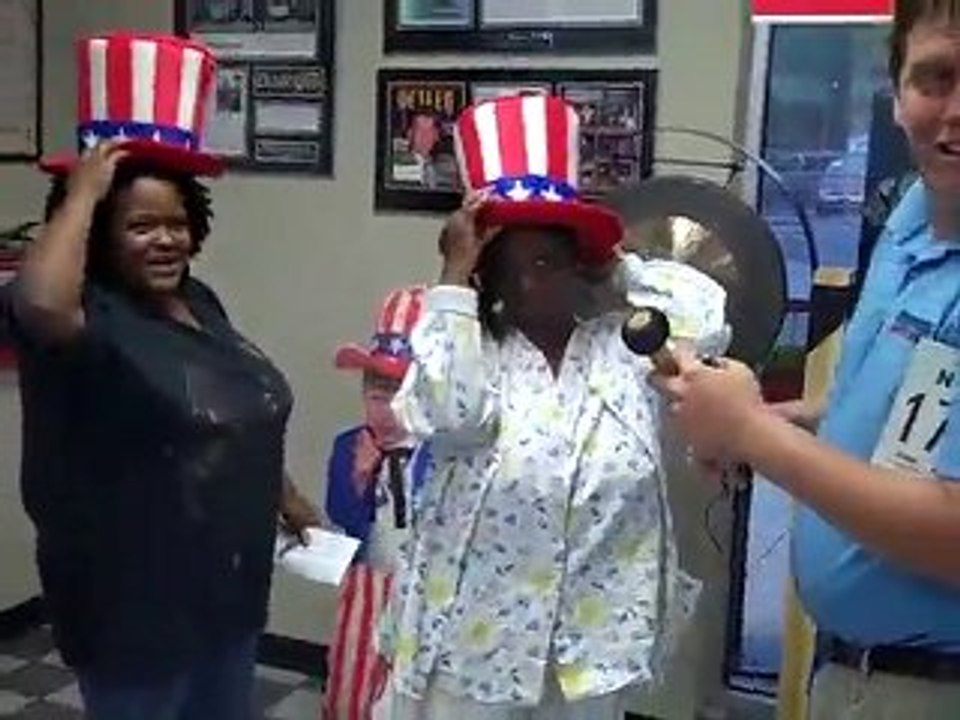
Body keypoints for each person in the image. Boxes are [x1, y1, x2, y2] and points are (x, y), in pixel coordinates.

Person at [654, 2, 960, 717]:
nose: (957, 111)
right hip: (852, 671)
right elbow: (903, 411)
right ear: (896, 94)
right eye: (937, 77)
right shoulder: (919, 212)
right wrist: (779, 422)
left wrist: (753, 433)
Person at [381, 94, 729, 719]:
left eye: (545, 262)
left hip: (590, 651)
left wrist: (617, 269)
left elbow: (707, 321)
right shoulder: (466, 348)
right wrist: (453, 273)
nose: (527, 284)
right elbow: (450, 413)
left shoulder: (625, 350)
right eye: (505, 269)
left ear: (577, 264)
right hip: (473, 648)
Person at [9, 32, 317, 720]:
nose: (167, 239)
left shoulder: (198, 301)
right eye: (140, 225)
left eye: (177, 223)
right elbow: (41, 302)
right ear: (96, 231)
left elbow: (230, 407)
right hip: (130, 609)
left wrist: (290, 500)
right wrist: (82, 192)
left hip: (225, 589)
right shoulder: (81, 317)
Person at [324, 286, 432, 720]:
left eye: (395, 388)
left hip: (425, 590)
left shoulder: (442, 452)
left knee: (410, 695)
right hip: (367, 582)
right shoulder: (348, 445)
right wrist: (360, 478)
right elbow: (343, 517)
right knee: (351, 687)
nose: (382, 403)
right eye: (374, 387)